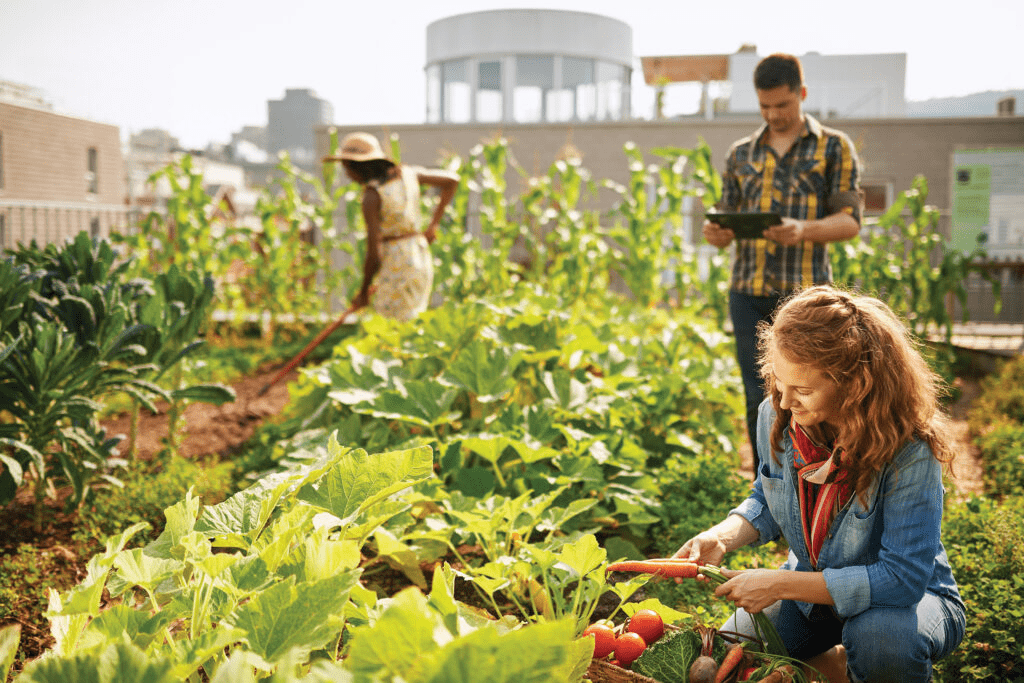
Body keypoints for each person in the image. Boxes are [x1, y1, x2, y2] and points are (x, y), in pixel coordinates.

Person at [674, 285, 966, 683]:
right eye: (779, 380)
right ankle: (836, 666)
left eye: (804, 390)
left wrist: (779, 583)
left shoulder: (908, 449)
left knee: (880, 639)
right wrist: (723, 537)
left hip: (906, 603)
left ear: (854, 384)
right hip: (814, 598)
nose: (784, 399)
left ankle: (862, 660)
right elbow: (767, 497)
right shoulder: (776, 415)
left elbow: (901, 580)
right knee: (728, 650)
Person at [703, 53, 862, 473]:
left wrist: (802, 229)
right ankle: (768, 485)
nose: (773, 114)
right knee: (757, 394)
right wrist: (717, 234)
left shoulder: (833, 147)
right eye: (765, 107)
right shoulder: (740, 154)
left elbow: (850, 222)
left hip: (805, 297)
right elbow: (725, 218)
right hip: (748, 291)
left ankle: (818, 476)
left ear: (801, 94)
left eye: (782, 105)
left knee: (812, 393)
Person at [324, 132, 458, 322]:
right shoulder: (408, 174)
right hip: (419, 255)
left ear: (359, 167)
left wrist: (363, 292)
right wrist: (432, 226)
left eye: (347, 169)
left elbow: (374, 252)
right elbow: (452, 180)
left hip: (396, 263)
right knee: (411, 321)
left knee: (390, 328)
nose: (347, 175)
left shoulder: (372, 195)